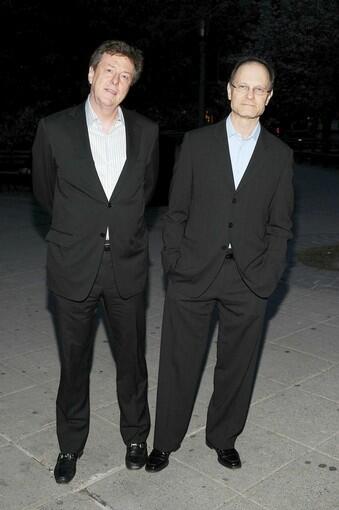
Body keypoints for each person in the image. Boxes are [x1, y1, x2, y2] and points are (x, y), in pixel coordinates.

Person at [145, 56, 293, 472]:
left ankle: (223, 437)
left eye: (259, 88)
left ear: (268, 98)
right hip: (192, 271)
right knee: (179, 360)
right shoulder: (196, 143)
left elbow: (281, 225)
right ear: (229, 91)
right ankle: (166, 441)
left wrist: (269, 273)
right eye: (242, 86)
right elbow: (175, 213)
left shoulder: (280, 156)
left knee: (238, 364)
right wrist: (174, 263)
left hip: (249, 278)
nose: (250, 94)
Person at [32, 40, 159, 483]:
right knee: (74, 362)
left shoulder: (146, 131)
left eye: (125, 76)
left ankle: (136, 435)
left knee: (132, 359)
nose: (116, 81)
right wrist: (82, 228)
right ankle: (70, 445)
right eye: (109, 71)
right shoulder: (54, 129)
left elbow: (144, 192)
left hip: (127, 263)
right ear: (91, 73)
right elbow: (46, 193)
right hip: (74, 264)